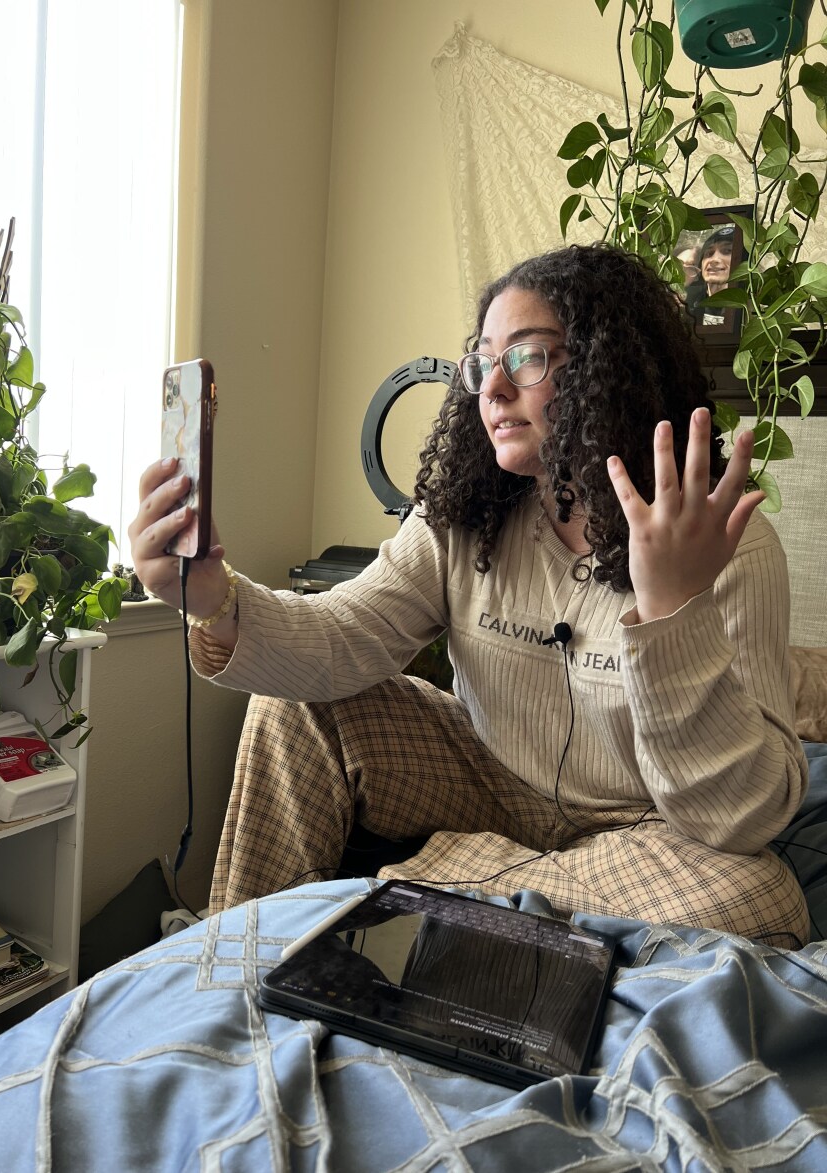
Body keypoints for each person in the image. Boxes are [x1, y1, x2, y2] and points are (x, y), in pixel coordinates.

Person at [129, 244, 809, 947]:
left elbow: (743, 817)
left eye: (527, 357)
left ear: (610, 369)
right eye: (483, 362)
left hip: (645, 827)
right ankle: (229, 961)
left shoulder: (732, 546)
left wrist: (670, 610)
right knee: (291, 704)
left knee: (762, 898)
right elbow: (342, 635)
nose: (492, 388)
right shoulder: (465, 510)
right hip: (486, 781)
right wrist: (211, 595)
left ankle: (450, 883)